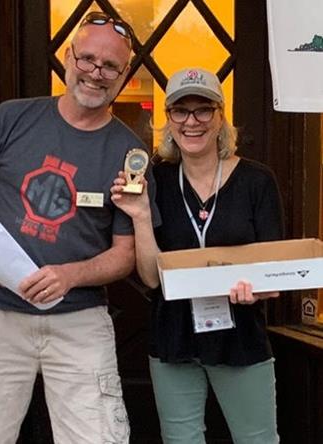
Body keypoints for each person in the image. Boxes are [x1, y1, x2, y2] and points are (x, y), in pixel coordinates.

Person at [0, 12, 158, 444]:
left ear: (124, 75)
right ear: (67, 55)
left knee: (96, 437)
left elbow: (124, 254)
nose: (95, 73)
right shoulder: (12, 118)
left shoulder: (129, 152)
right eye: (87, 59)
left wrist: (70, 275)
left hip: (78, 320)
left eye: (110, 66)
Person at [111, 67, 284, 444]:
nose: (191, 121)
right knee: (181, 440)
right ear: (168, 119)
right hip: (173, 336)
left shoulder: (257, 181)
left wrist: (258, 288)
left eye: (203, 109)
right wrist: (140, 215)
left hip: (240, 336)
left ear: (220, 116)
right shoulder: (156, 180)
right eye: (180, 110)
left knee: (257, 439)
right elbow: (151, 278)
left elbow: (274, 271)